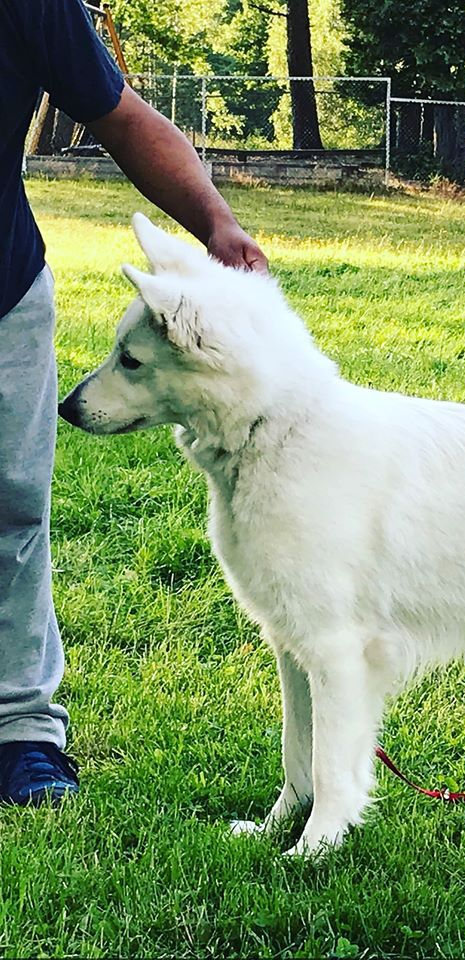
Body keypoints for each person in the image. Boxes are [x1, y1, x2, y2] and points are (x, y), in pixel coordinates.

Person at [0, 0, 268, 805]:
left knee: (12, 511)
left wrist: (215, 222)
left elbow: (118, 116)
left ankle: (21, 731)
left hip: (3, 290)